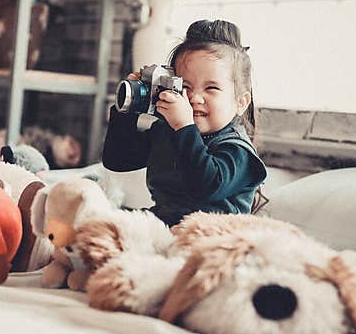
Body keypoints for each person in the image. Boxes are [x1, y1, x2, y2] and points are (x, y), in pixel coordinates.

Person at [102, 19, 268, 226]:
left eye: (211, 88)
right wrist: (127, 109)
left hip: (213, 235)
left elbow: (206, 186)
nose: (194, 98)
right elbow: (117, 160)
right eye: (185, 87)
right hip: (165, 224)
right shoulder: (168, 131)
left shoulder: (238, 151)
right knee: (103, 224)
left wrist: (184, 127)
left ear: (240, 102)